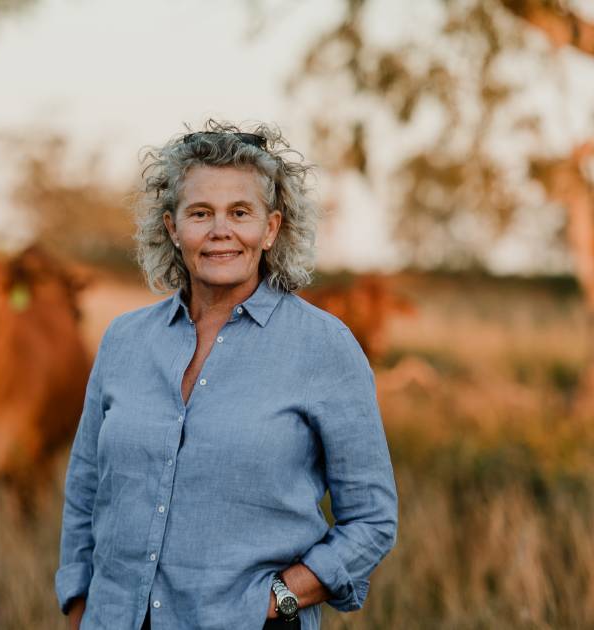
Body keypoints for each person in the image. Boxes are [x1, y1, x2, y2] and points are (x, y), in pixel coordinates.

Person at [55, 121, 398, 629]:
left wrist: (274, 603)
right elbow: (85, 490)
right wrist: (81, 606)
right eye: (200, 213)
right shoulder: (123, 342)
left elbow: (371, 520)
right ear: (173, 228)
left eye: (240, 213)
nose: (220, 231)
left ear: (271, 228)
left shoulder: (325, 347)